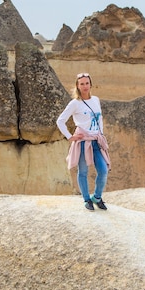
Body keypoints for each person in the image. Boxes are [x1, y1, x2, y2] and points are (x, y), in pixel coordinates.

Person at [56, 73, 111, 211]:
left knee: (103, 170)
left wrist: (101, 135)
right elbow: (60, 121)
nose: (85, 86)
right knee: (83, 171)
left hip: (96, 140)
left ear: (90, 84)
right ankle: (87, 199)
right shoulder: (75, 103)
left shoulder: (96, 100)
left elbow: (99, 119)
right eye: (82, 84)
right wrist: (70, 136)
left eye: (87, 83)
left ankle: (97, 197)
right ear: (77, 86)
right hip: (82, 141)